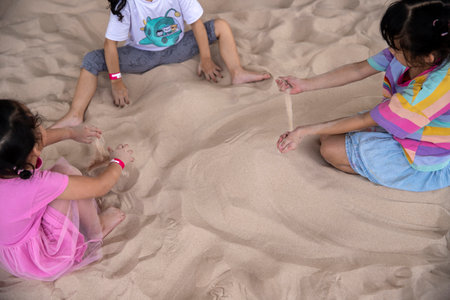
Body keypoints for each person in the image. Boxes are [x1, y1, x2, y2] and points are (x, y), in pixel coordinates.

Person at [276, 0, 449, 192]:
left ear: (428, 57)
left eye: (397, 48)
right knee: (326, 136)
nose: (390, 50)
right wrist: (304, 84)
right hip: (405, 123)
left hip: (427, 153)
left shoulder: (425, 92)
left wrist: (302, 131)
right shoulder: (415, 51)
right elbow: (359, 69)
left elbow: (365, 118)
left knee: (330, 149)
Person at [53, 0, 271, 128]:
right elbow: (110, 45)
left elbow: (196, 24)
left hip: (178, 48)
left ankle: (237, 72)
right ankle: (76, 113)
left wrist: (205, 58)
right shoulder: (125, 4)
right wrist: (116, 81)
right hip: (140, 56)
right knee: (92, 59)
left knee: (221, 25)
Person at [0, 99, 135, 281]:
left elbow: (28, 143)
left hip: (12, 257)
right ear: (33, 152)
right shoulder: (37, 184)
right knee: (67, 173)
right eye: (35, 122)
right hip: (42, 259)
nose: (40, 128)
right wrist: (119, 160)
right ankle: (96, 229)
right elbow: (99, 186)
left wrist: (71, 132)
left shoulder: (7, 159)